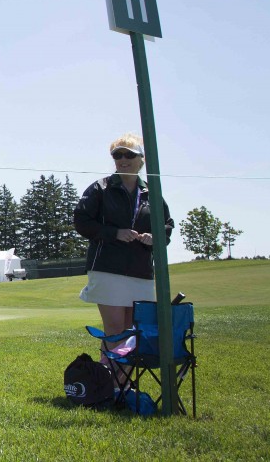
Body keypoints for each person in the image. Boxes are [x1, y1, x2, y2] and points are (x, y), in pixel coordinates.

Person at [73, 133, 173, 386]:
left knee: (133, 333)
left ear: (142, 159)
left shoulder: (152, 193)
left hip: (140, 271)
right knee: (116, 330)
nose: (122, 159)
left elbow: (167, 227)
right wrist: (114, 233)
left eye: (129, 154)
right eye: (117, 155)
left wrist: (155, 237)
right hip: (107, 269)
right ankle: (109, 386)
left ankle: (122, 386)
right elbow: (82, 223)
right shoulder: (100, 188)